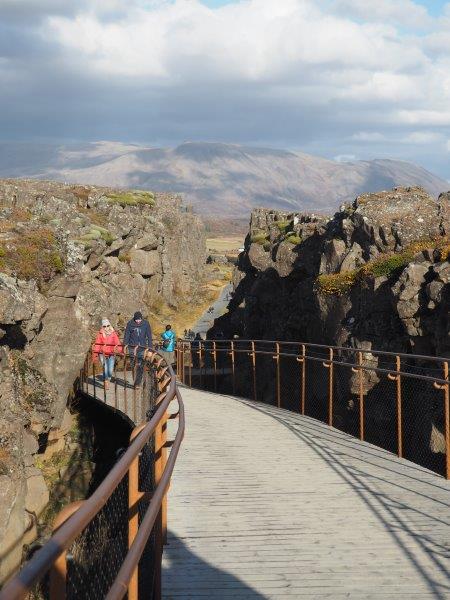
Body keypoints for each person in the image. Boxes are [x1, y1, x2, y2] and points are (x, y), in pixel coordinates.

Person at [124, 311, 152, 388]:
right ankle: (135, 379)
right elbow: (126, 336)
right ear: (134, 319)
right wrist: (124, 347)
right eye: (136, 320)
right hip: (132, 347)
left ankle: (137, 383)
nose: (138, 321)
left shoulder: (146, 324)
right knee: (133, 365)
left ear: (141, 318)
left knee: (140, 365)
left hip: (142, 348)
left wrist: (150, 350)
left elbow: (149, 337)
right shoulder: (130, 324)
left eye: (139, 319)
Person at [93, 318, 122, 389]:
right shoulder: (100, 334)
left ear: (110, 325)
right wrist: (95, 354)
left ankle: (108, 378)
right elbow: (97, 344)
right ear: (102, 327)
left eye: (107, 325)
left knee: (110, 370)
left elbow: (117, 342)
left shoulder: (113, 333)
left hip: (111, 354)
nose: (106, 327)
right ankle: (106, 381)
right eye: (104, 326)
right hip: (102, 354)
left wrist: (120, 350)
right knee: (105, 368)